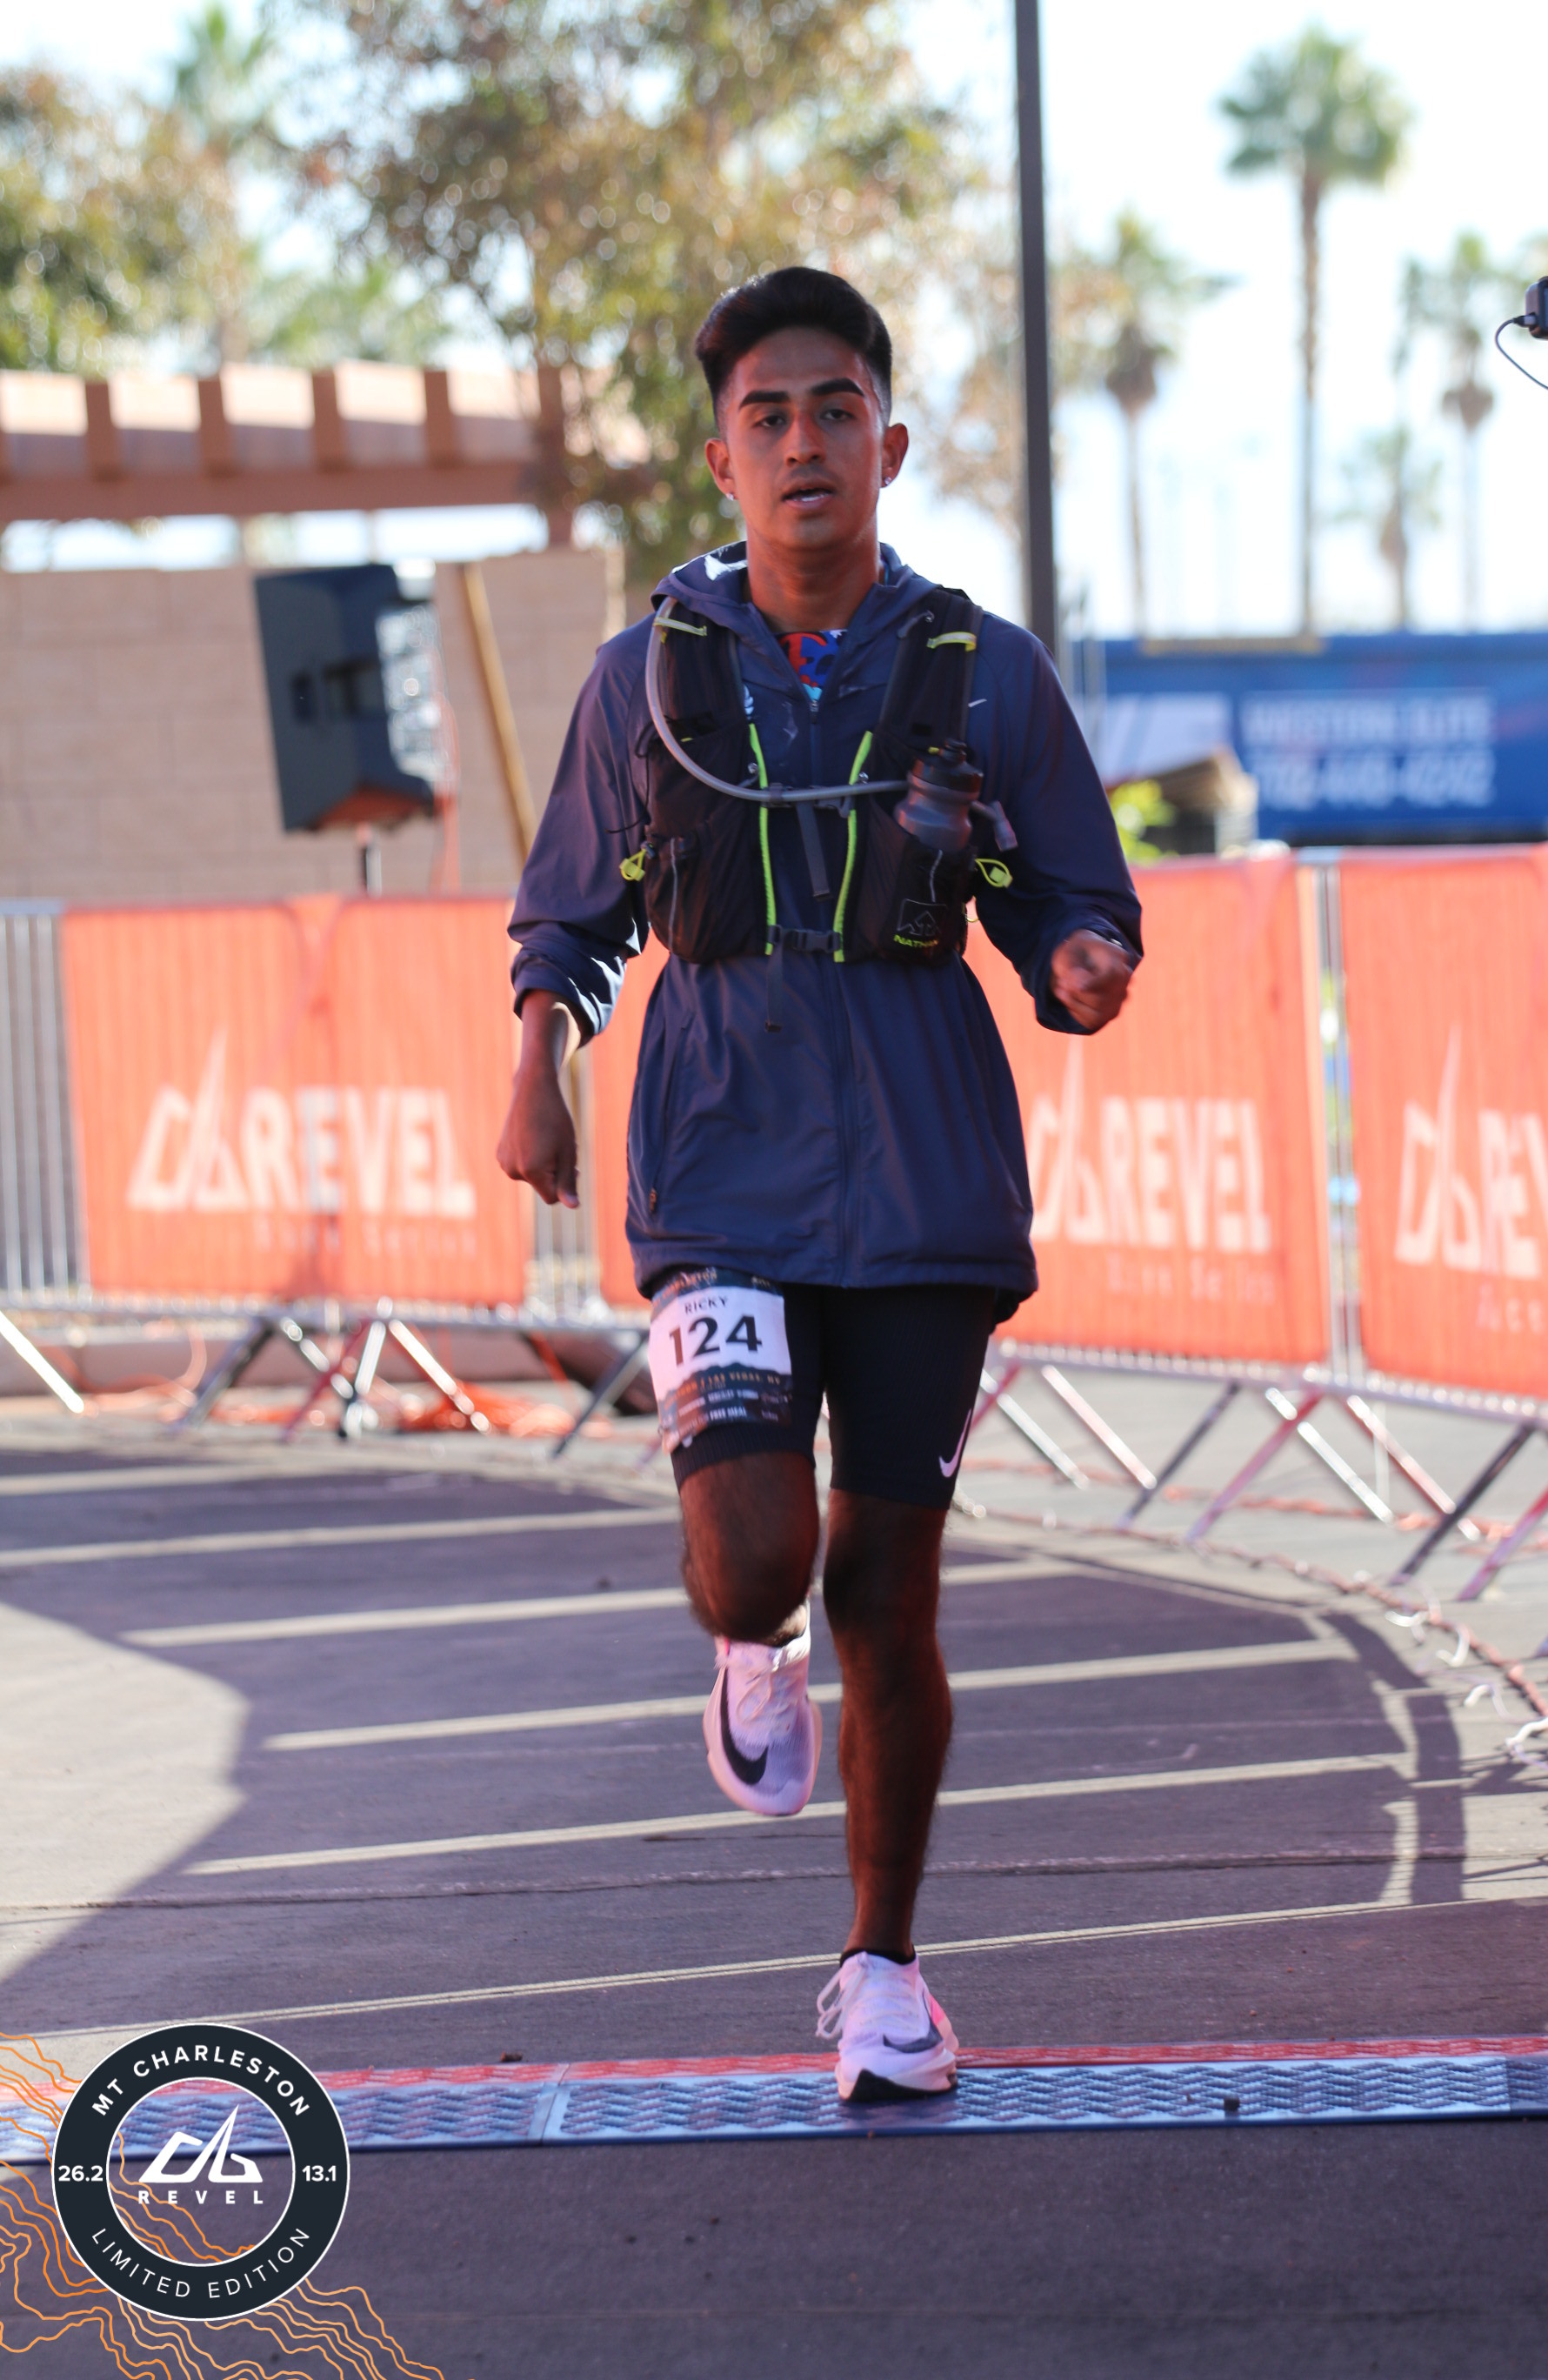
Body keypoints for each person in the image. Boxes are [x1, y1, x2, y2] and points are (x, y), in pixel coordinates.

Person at [497, 266, 1139, 2103]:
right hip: (717, 1149)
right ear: (722, 460)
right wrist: (538, 1061)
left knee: (891, 1589)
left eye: (835, 411)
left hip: (928, 1169)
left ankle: (883, 1973)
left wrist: (1081, 960)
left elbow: (1072, 892)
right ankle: (744, 1642)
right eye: (767, 417)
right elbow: (571, 912)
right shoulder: (645, 676)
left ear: (890, 443)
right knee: (763, 1554)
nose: (803, 444)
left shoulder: (983, 669)